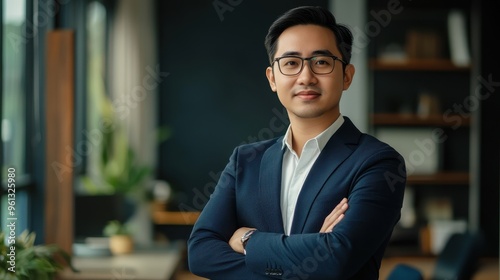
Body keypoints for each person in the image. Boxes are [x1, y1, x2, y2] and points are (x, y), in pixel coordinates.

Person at [188, 5, 406, 279]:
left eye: (322, 62)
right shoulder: (245, 160)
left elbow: (337, 258)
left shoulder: (378, 162)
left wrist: (248, 240)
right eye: (291, 63)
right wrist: (312, 253)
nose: (306, 77)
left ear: (347, 76)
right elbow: (200, 253)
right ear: (272, 79)